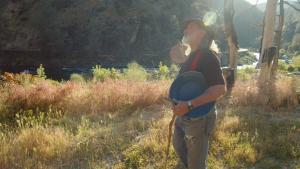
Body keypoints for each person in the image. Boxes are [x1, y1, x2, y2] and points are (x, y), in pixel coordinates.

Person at [169, 18, 226, 169]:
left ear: (202, 33)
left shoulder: (207, 56)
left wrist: (188, 105)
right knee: (179, 145)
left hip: (198, 118)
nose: (185, 31)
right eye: (185, 28)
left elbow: (220, 89)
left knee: (196, 163)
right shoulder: (192, 57)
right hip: (184, 114)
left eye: (191, 28)